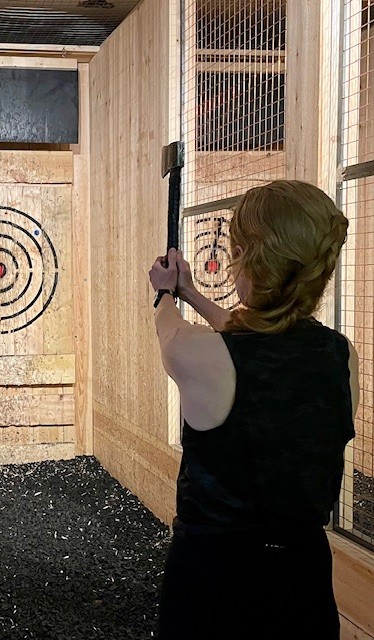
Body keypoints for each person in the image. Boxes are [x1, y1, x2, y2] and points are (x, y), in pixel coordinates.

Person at [148, 179, 359, 640]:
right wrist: (193, 294)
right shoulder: (340, 355)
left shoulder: (198, 354)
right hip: (301, 577)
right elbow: (259, 347)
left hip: (215, 577)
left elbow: (171, 332)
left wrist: (166, 294)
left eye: (239, 249)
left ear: (255, 259)